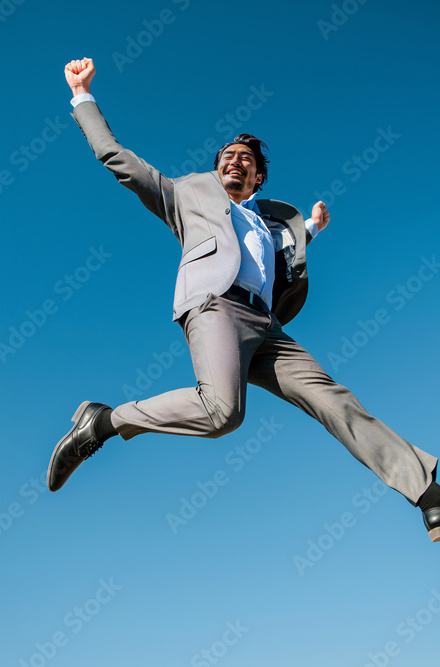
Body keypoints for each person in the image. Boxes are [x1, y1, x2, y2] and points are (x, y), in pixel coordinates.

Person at [46, 57, 440, 543]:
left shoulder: (268, 224)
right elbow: (116, 158)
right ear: (215, 169)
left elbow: (275, 255)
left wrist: (311, 228)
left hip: (266, 326)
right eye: (228, 156)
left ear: (258, 179)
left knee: (335, 401)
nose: (235, 160)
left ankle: (425, 491)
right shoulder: (183, 195)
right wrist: (82, 94)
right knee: (222, 414)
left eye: (246, 160)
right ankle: (103, 422)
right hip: (215, 306)